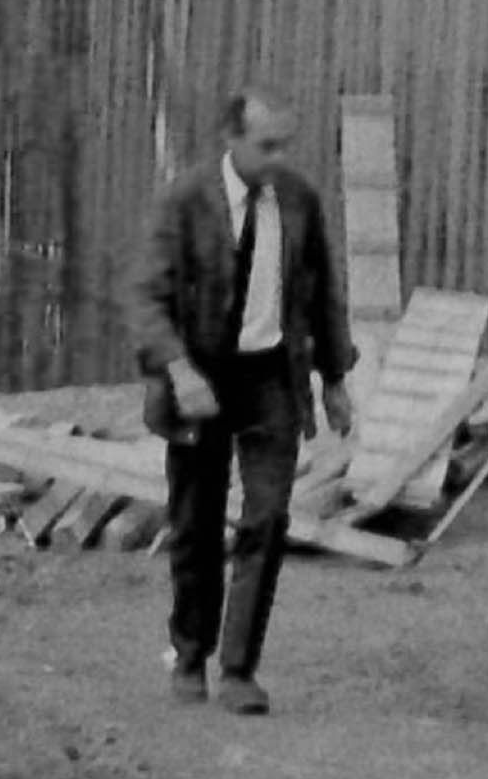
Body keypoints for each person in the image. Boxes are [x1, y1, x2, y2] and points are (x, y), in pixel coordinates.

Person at [124, 89, 357, 716]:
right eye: (266, 146)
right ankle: (191, 653)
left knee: (267, 518)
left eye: (285, 145)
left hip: (270, 378)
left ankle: (239, 669)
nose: (277, 159)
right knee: (196, 523)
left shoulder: (298, 201)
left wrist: (334, 378)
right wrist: (178, 369)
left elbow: (324, 292)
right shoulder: (185, 202)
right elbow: (146, 297)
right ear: (231, 138)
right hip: (199, 377)